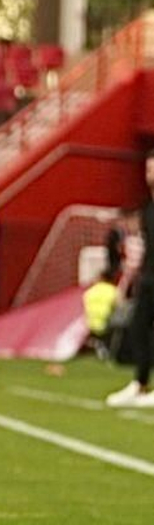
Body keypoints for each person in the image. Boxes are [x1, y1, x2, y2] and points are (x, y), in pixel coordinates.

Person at [106, 151, 154, 408]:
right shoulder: (148, 210)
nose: (149, 175)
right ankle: (140, 383)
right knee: (138, 328)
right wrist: (130, 281)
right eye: (148, 170)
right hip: (148, 278)